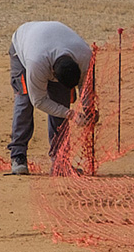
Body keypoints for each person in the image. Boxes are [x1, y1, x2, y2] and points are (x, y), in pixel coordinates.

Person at [8, 20, 93, 175]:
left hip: (50, 43)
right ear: (53, 73)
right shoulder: (36, 63)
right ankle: (18, 155)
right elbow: (38, 100)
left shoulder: (85, 56)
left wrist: (89, 110)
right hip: (23, 48)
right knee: (25, 102)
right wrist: (70, 113)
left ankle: (60, 161)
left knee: (61, 104)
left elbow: (87, 86)